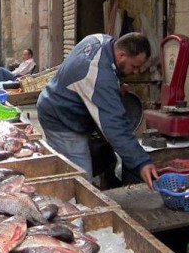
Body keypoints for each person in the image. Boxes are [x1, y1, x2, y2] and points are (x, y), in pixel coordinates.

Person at [36, 32, 159, 190]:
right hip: (60, 118)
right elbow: (115, 126)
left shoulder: (100, 39)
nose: (136, 72)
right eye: (134, 67)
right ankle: (75, 210)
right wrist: (141, 162)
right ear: (121, 55)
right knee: (82, 181)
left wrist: (116, 84)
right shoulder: (98, 75)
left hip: (56, 99)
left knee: (99, 157)